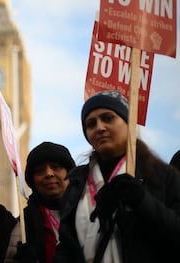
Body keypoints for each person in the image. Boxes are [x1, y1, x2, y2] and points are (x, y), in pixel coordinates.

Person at [54, 90, 180, 262]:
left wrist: (143, 201)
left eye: (108, 118)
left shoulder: (164, 176)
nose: (99, 127)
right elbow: (67, 246)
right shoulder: (76, 183)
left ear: (128, 122)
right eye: (91, 124)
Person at [14, 141, 76, 263]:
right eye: (40, 170)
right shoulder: (22, 225)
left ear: (70, 172)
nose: (48, 174)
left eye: (56, 167)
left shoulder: (90, 210)